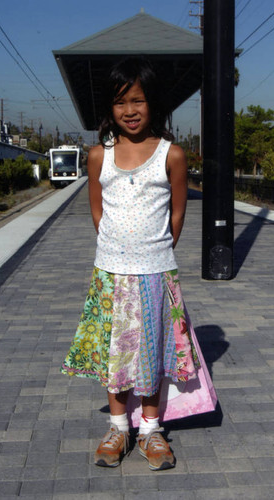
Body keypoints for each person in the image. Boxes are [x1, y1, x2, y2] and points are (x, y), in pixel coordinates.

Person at [61, 57, 202, 471]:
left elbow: (177, 216)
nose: (130, 110)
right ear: (110, 108)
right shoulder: (97, 155)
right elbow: (97, 211)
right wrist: (118, 252)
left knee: (154, 350)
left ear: (152, 104)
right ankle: (118, 426)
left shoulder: (171, 155)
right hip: (111, 274)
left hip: (156, 273)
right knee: (115, 353)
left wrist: (152, 253)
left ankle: (151, 430)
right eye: (121, 102)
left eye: (138, 100)